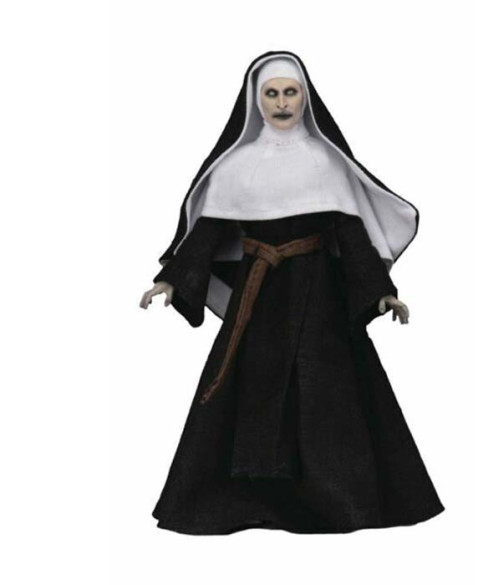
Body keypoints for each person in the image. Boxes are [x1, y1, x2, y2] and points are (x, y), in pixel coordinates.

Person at [140, 51, 444, 534]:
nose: (282, 102)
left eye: (290, 92)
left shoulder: (325, 162)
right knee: (248, 387)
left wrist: (380, 291)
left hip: (319, 297)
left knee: (329, 389)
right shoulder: (235, 167)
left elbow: (350, 235)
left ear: (305, 98)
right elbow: (207, 232)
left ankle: (337, 502)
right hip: (257, 300)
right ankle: (244, 500)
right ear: (256, 101)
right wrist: (174, 277)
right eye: (272, 93)